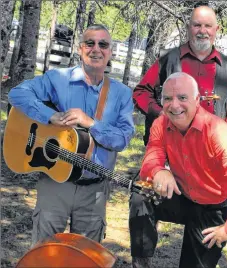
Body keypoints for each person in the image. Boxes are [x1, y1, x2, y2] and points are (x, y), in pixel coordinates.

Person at [8, 24, 135, 245]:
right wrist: (49, 116)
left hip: (94, 189)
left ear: (110, 52)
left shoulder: (122, 94)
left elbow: (122, 139)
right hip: (55, 184)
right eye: (90, 43)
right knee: (44, 253)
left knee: (84, 257)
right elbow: (17, 93)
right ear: (80, 49)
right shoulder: (58, 79)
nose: (96, 49)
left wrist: (91, 124)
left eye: (103, 44)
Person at [129, 72, 227, 268]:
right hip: (183, 195)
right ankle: (140, 263)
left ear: (197, 100)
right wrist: (158, 171)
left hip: (213, 206)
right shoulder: (161, 124)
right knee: (141, 194)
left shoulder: (218, 131)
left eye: (182, 98)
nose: (174, 105)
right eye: (168, 98)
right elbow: (151, 158)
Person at [133, 5, 227, 146]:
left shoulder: (226, 67)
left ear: (216, 29)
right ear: (188, 27)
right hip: (169, 147)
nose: (202, 31)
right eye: (197, 25)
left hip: (209, 150)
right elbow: (140, 92)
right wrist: (160, 113)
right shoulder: (168, 59)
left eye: (208, 26)